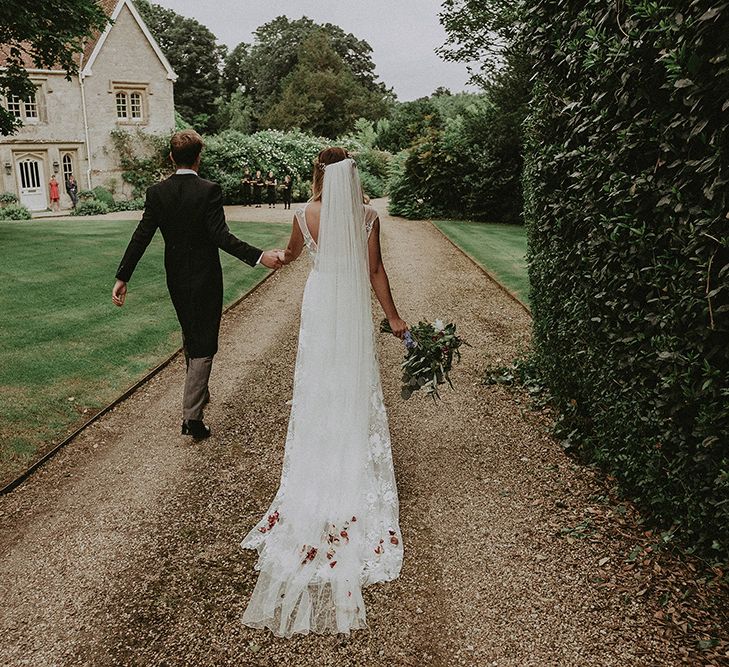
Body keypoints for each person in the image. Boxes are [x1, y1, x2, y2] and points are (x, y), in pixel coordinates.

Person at [240, 147, 408, 637]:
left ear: (317, 175)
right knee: (351, 380)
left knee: (319, 384)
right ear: (350, 176)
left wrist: (273, 257)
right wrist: (394, 318)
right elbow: (375, 272)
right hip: (351, 303)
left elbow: (290, 257)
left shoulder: (303, 214)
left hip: (321, 301)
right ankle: (350, 457)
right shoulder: (368, 216)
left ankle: (320, 459)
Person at [111, 130, 283, 439]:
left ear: (171, 158)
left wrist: (123, 276)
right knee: (205, 341)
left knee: (192, 332)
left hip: (176, 276)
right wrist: (260, 256)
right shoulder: (209, 190)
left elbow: (142, 235)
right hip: (205, 277)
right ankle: (192, 417)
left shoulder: (157, 192)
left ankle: (198, 395)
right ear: (198, 158)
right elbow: (221, 236)